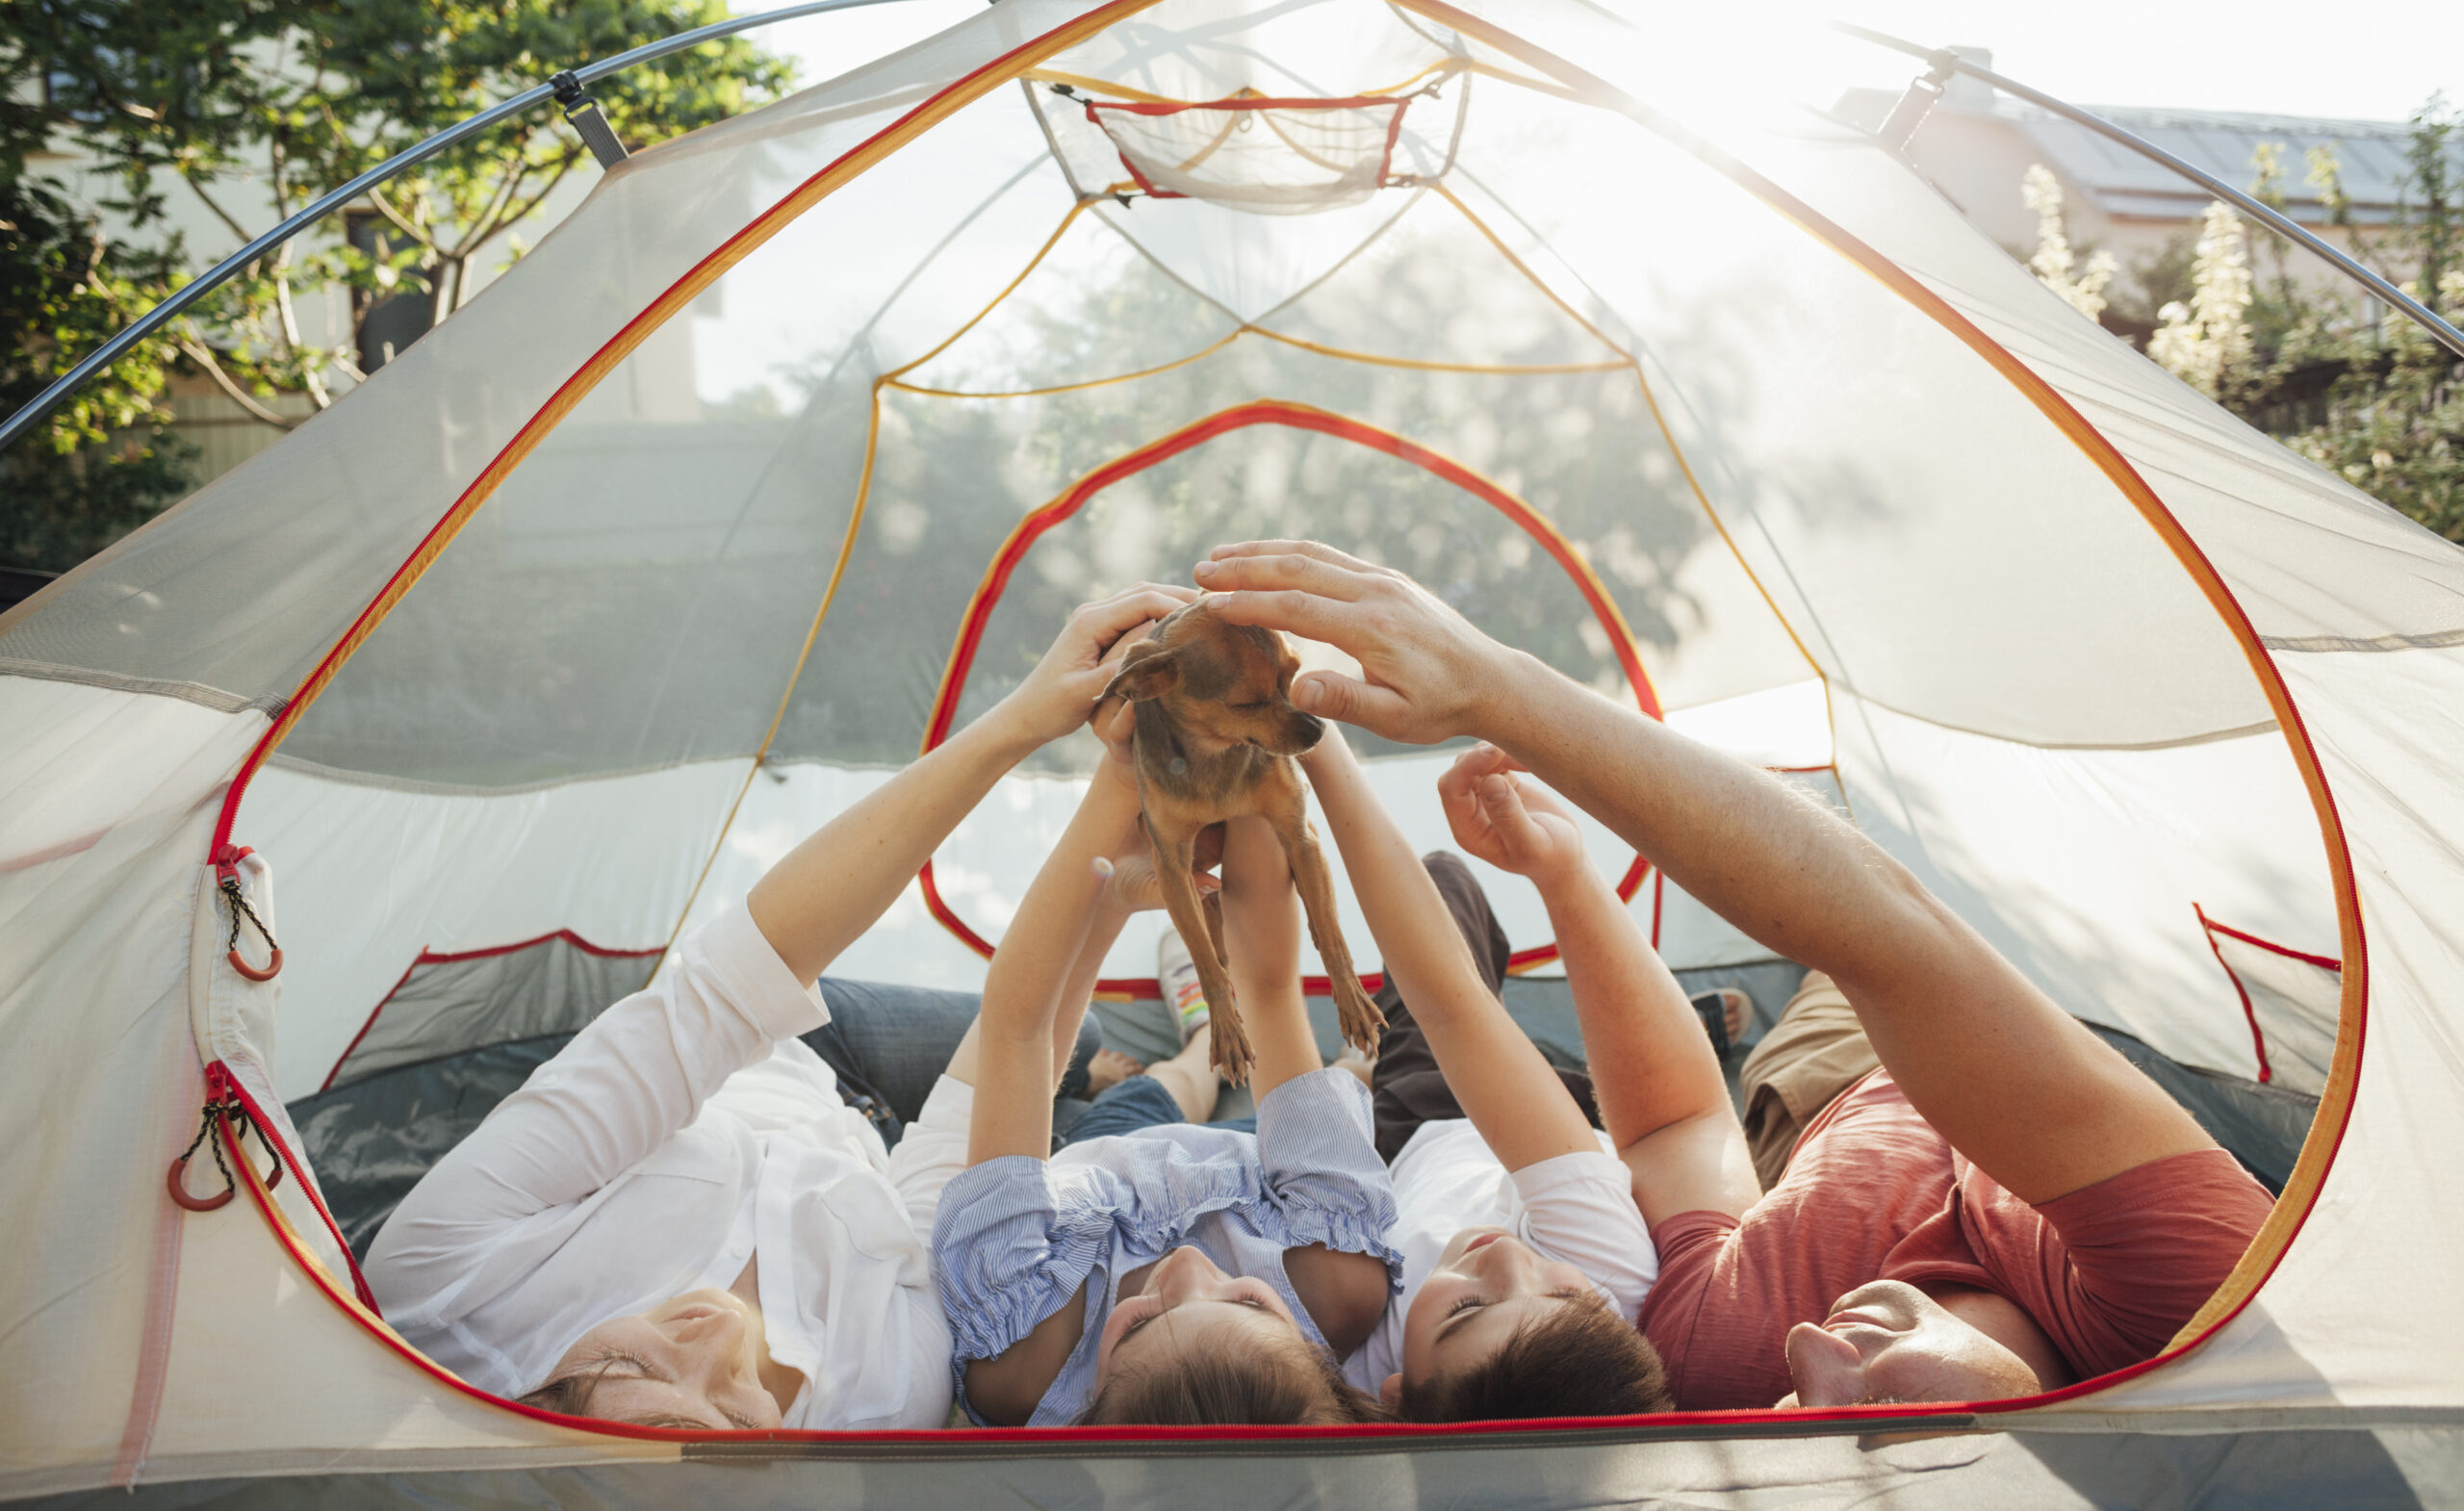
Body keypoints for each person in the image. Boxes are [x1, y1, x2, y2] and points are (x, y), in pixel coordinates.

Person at [1194, 541, 2275, 1412]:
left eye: (1790, 1425)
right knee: (1914, 938)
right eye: (1875, 1433)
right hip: (2006, 1055)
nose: (1811, 1360)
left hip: (1813, 1112)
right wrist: (1498, 694)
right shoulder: (2201, 1303)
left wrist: (1570, 886)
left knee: (1810, 1032)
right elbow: (1891, 943)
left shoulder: (1724, 1361)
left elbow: (1669, 1130)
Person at [362, 585, 1191, 1430]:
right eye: (734, 1406)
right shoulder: (880, 1403)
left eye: (631, 1360)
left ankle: (1107, 1066)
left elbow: (738, 980)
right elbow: (958, 1140)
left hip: (789, 1049)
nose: (715, 1333)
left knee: (1078, 1045)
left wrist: (1021, 719)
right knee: (1053, 1096)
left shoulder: (451, 1286)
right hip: (873, 1151)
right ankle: (1181, 1057)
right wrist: (1116, 819)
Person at [918, 706, 1399, 1428]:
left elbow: (1017, 1028)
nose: (1184, 1269)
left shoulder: (1020, 1356)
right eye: (1243, 1299)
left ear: (1091, 1405)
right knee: (1242, 1062)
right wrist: (1248, 754)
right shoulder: (1337, 1280)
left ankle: (1197, 1044)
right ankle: (1260, 1048)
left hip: (1081, 1187)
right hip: (1249, 1179)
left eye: (1141, 1321)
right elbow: (1269, 986)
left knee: (1153, 1090)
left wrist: (1121, 782)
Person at [1297, 724, 1668, 1422]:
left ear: (1396, 1391)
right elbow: (1455, 1006)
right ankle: (1652, 1036)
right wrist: (1322, 748)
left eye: (1466, 1307)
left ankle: (1366, 1067)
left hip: (1417, 1129)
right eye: (1563, 1295)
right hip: (1561, 1133)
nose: (1504, 1260)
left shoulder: (1355, 1354)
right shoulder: (1609, 1273)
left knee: (1443, 879)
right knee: (1452, 906)